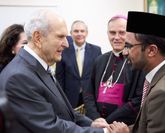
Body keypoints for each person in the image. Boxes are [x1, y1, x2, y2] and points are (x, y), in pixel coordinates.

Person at [0, 9, 128, 133]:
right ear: (38, 38)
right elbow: (51, 127)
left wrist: (90, 123)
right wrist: (105, 132)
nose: (67, 44)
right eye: (61, 37)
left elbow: (64, 110)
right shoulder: (19, 77)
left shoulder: (38, 67)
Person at [84, 15, 145, 125]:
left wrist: (109, 121)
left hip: (122, 126)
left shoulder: (138, 62)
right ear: (107, 34)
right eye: (112, 32)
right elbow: (88, 93)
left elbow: (138, 100)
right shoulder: (99, 60)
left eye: (122, 32)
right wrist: (96, 117)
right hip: (97, 124)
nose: (116, 37)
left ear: (129, 34)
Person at [56, 20, 102, 108]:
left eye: (82, 31)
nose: (79, 34)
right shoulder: (63, 51)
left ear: (87, 33)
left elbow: (99, 76)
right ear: (70, 33)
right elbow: (59, 77)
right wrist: (61, 98)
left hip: (90, 96)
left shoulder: (96, 50)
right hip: (70, 97)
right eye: (76, 31)